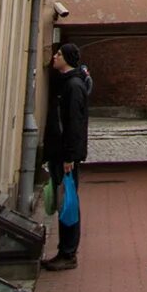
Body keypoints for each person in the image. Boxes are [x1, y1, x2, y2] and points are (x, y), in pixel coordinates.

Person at [42, 43, 91, 272]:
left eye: (59, 54)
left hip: (65, 156)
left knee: (68, 202)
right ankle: (66, 250)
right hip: (60, 153)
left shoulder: (73, 86)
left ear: (68, 58)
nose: (54, 56)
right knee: (65, 201)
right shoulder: (67, 82)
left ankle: (68, 252)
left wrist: (69, 156)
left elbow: (74, 124)